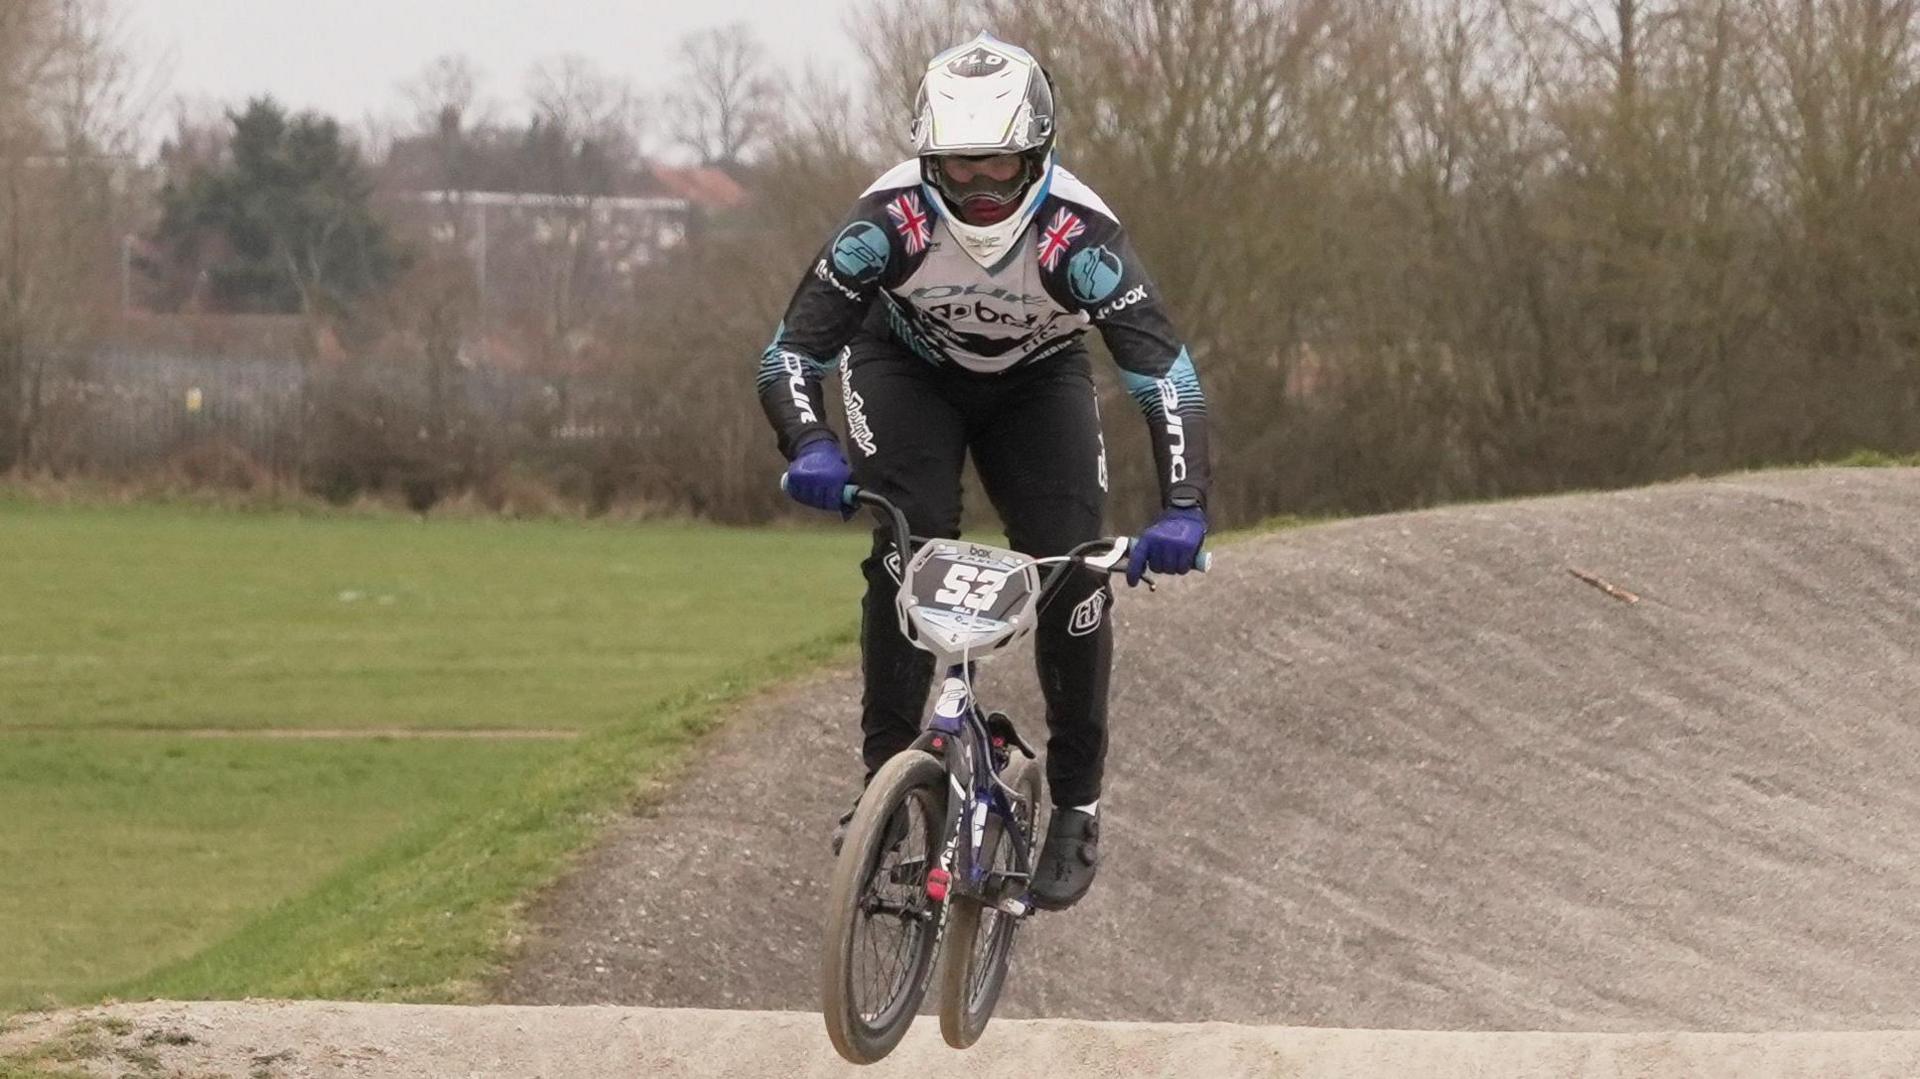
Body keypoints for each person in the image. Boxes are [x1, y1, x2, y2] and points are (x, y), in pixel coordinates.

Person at [755, 32, 1211, 911]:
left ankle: (1077, 801)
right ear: (928, 157)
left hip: (1039, 385)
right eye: (958, 169)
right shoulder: (885, 223)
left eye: (1000, 167)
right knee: (905, 543)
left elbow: (1167, 376)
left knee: (1075, 570)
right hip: (902, 370)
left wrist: (1186, 505)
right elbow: (789, 355)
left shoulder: (1082, 238)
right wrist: (809, 447)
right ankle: (885, 782)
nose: (980, 189)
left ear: (1039, 153)